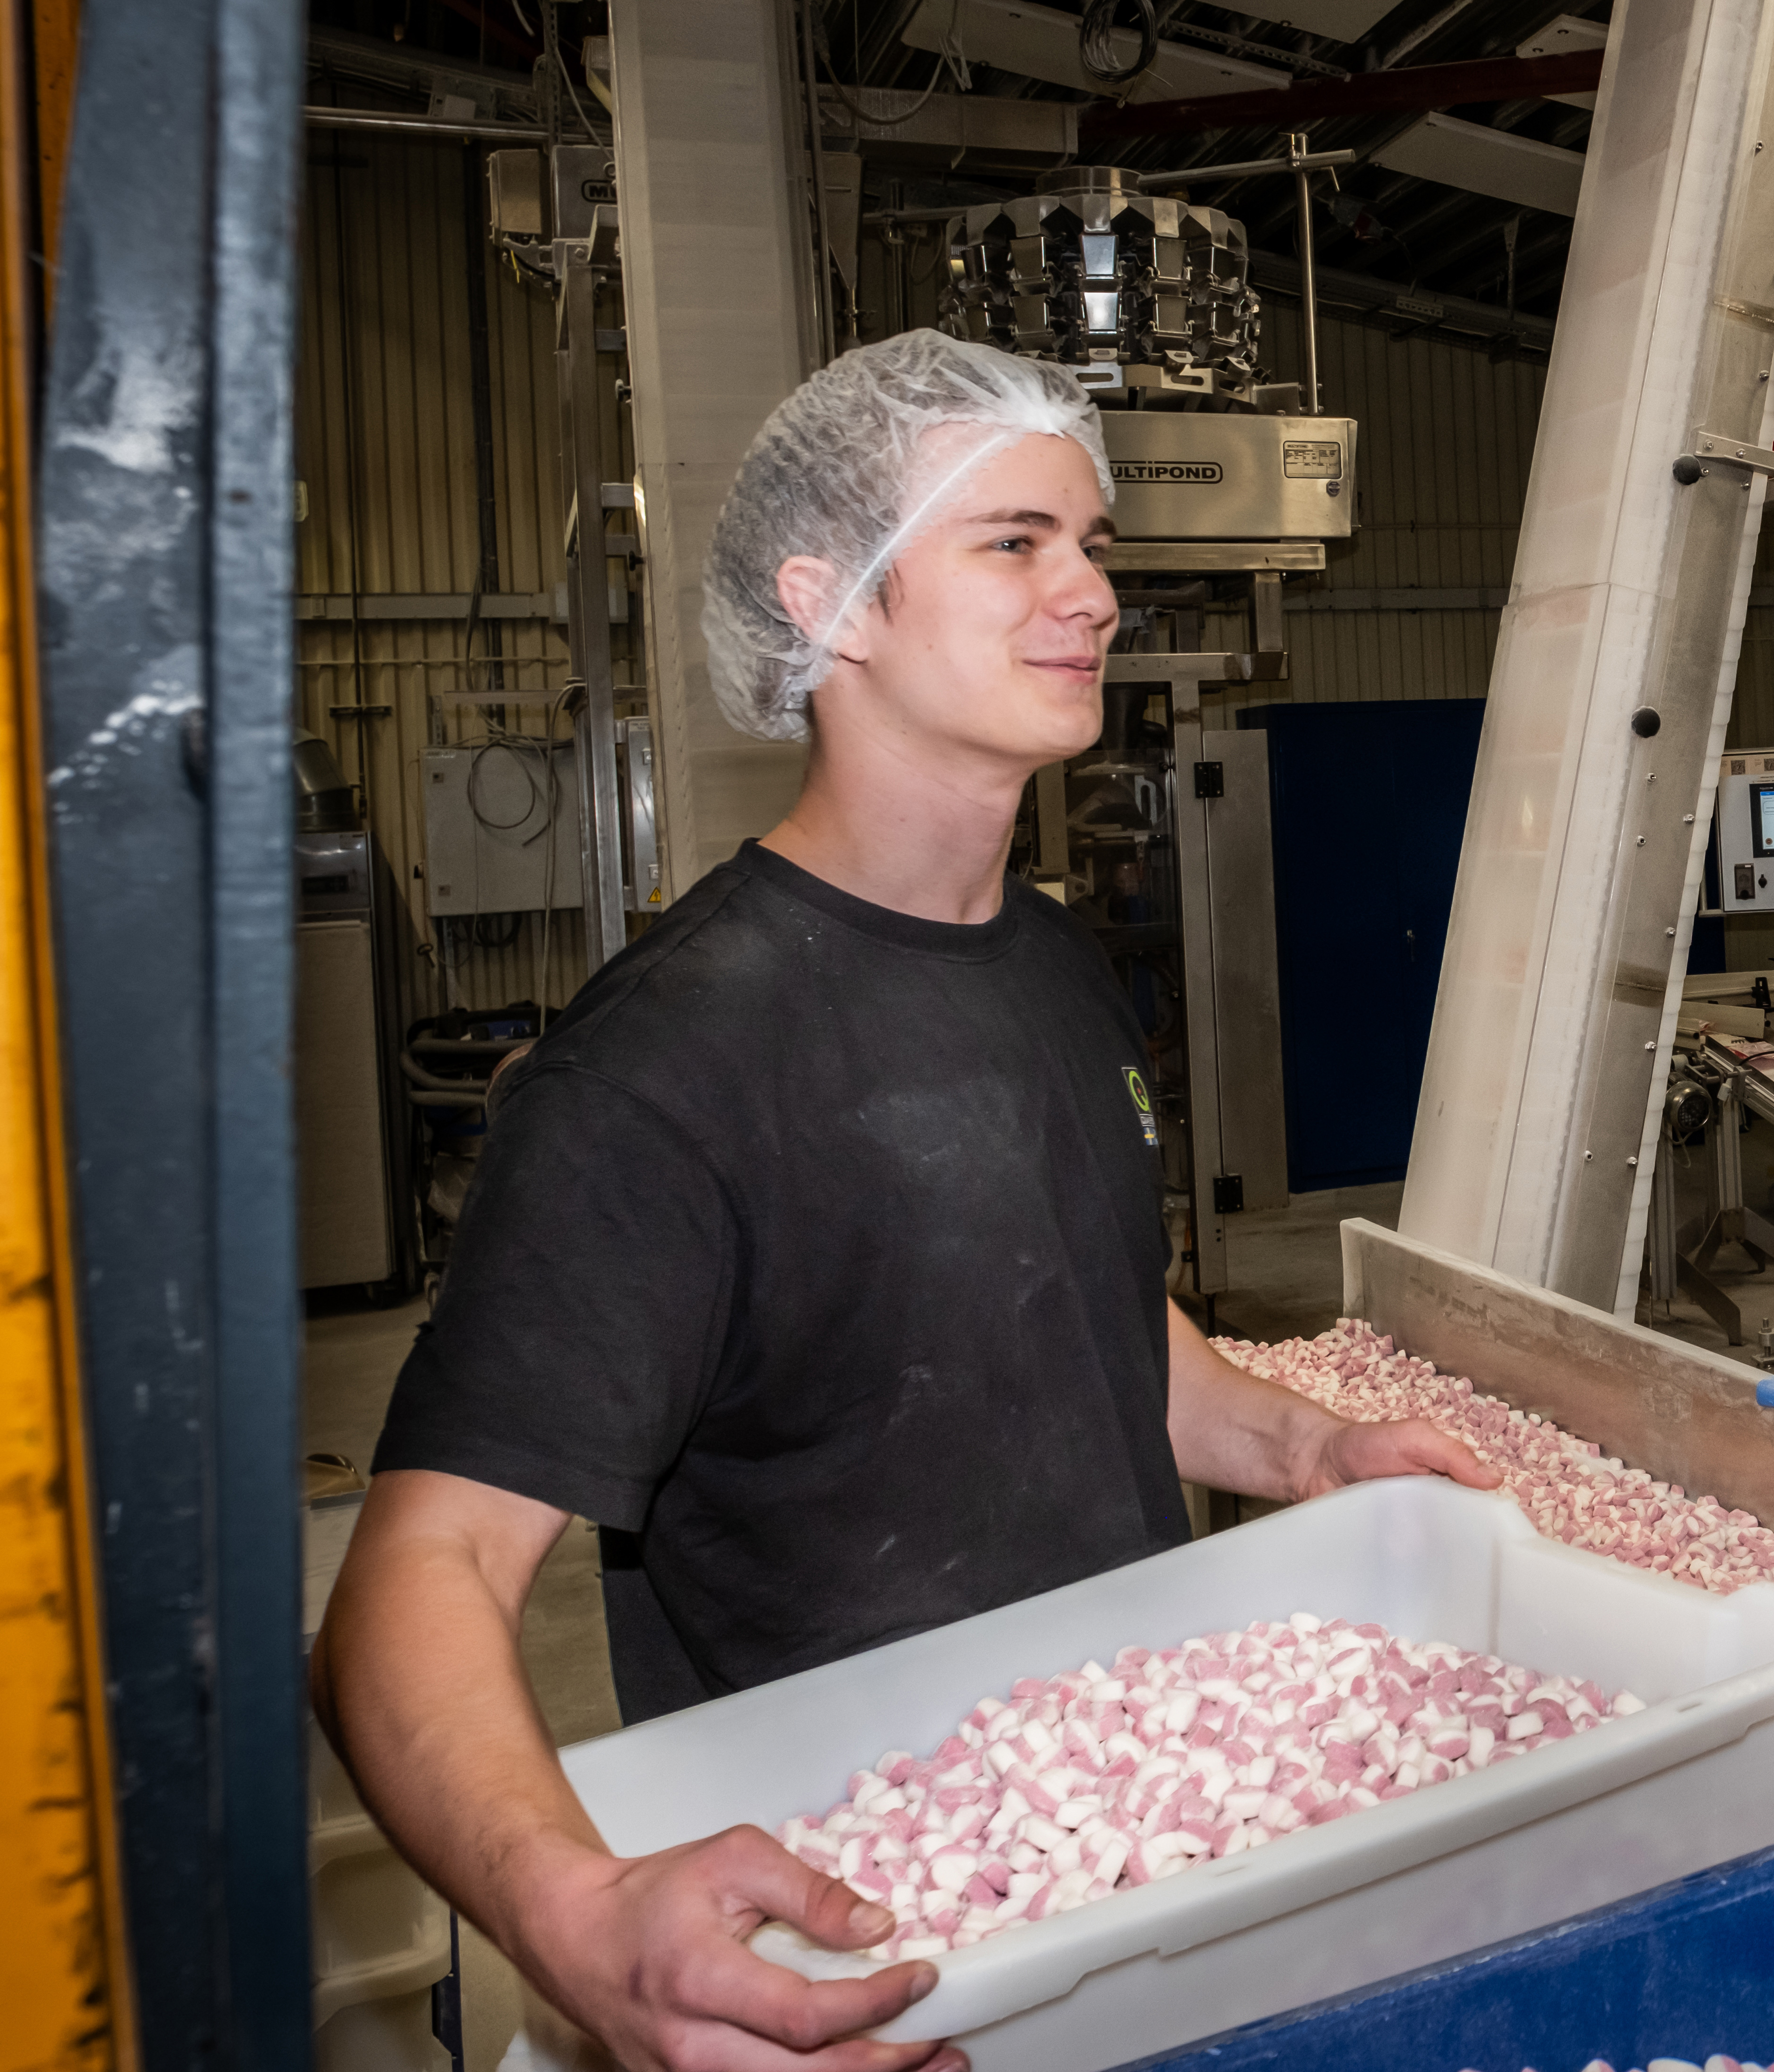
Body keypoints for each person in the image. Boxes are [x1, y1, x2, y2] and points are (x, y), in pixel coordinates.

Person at [313, 335, 1496, 2072]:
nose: (1091, 593)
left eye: (1091, 545)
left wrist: (1316, 1456)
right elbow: (416, 1579)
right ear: (834, 603)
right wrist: (572, 1917)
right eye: (1015, 543)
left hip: (1131, 1836)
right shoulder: (660, 1072)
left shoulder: (1054, 971)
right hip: (860, 1921)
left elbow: (1082, 1318)